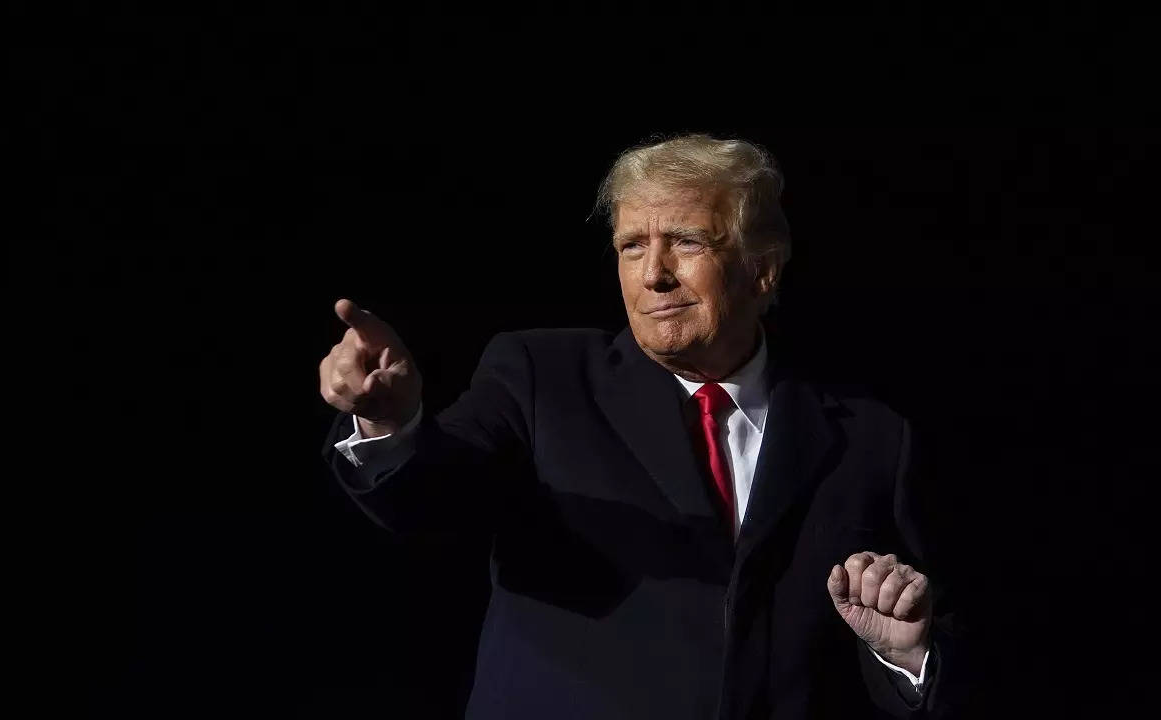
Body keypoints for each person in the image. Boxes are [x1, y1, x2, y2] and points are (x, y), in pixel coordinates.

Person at [318, 134, 962, 719]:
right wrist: (388, 420)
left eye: (687, 241)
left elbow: (919, 659)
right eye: (632, 246)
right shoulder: (542, 376)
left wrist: (905, 654)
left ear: (763, 267)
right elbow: (436, 487)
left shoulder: (872, 437)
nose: (654, 274)